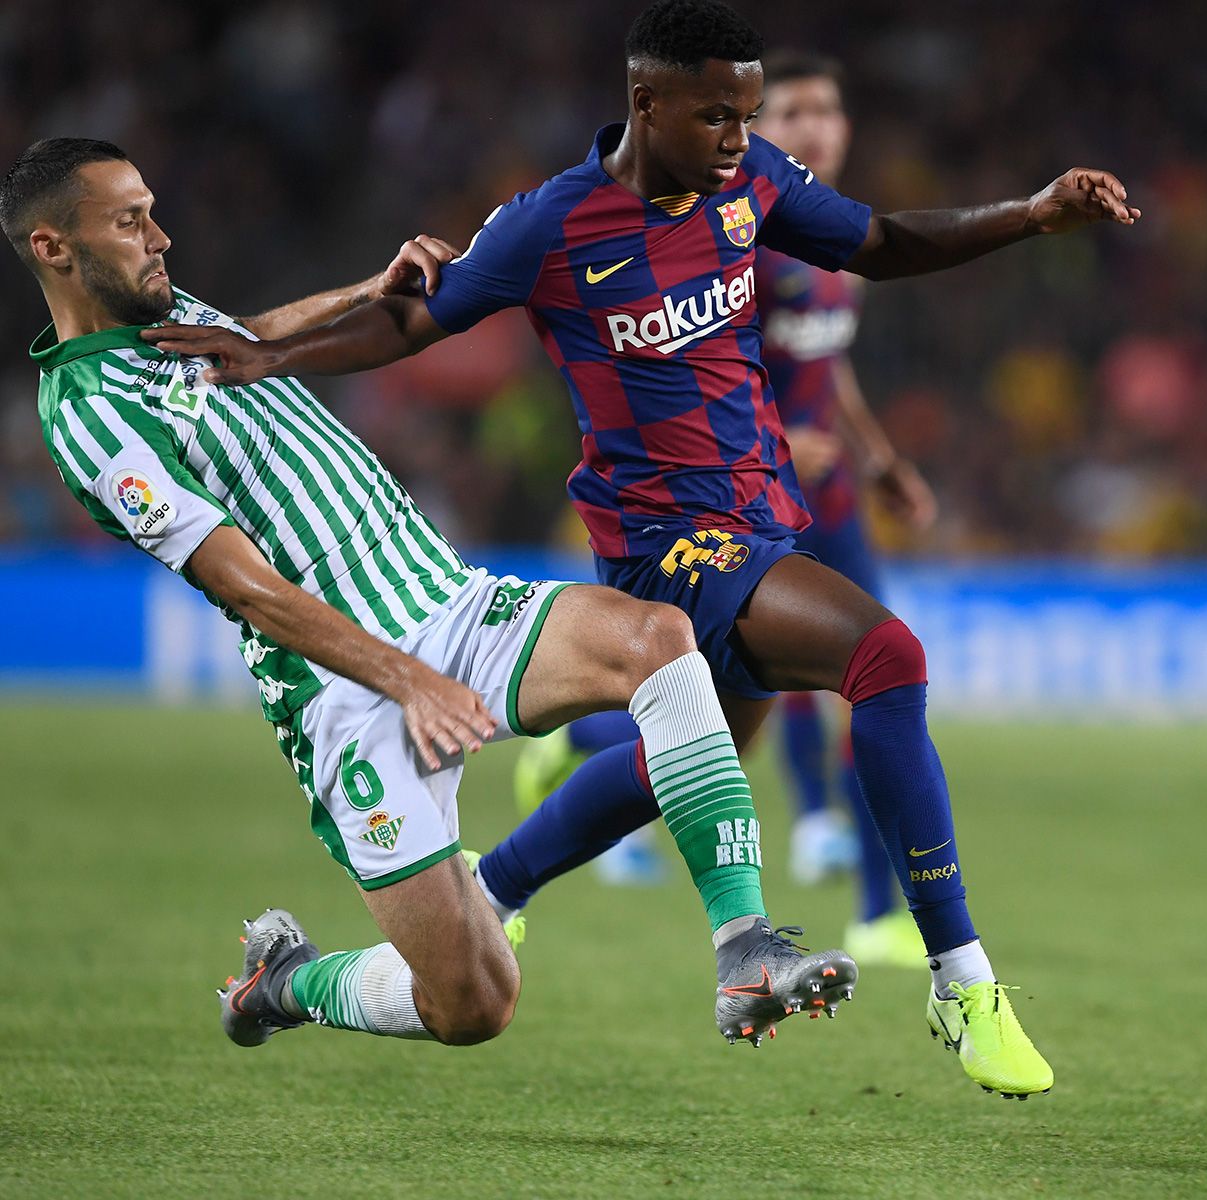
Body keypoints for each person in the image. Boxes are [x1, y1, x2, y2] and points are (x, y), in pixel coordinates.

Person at [147, 0, 1139, 1098]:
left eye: (747, 116)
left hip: (763, 519)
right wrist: (263, 356)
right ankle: (964, 983)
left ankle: (494, 887)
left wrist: (1030, 215)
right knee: (886, 658)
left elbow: (882, 243)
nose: (737, 138)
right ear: (645, 102)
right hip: (666, 545)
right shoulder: (551, 223)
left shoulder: (753, 183)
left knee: (695, 759)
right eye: (717, 115)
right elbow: (409, 322)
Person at [5, 136, 850, 1054]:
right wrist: (409, 681)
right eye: (130, 222)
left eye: (152, 210)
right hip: (346, 689)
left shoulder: (159, 317)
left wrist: (367, 290)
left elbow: (249, 343)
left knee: (659, 637)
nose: (160, 237)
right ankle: (286, 982)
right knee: (474, 1002)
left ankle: (745, 950)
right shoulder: (87, 415)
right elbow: (248, 589)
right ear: (54, 248)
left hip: (443, 595)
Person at [514, 48, 937, 970]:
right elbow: (707, 370)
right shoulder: (741, 229)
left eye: (829, 108)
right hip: (734, 505)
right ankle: (590, 741)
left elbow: (832, 367)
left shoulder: (833, 253)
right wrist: (785, 439)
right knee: (740, 710)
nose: (813, 126)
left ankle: (876, 908)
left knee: (870, 681)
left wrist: (878, 457)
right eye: (792, 111)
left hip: (829, 503)